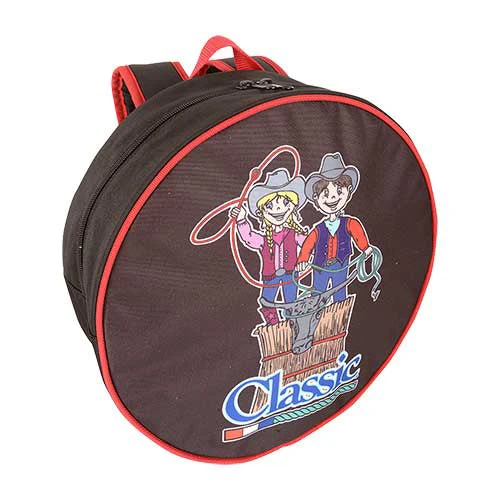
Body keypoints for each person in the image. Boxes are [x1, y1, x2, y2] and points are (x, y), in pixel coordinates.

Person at [230, 169, 307, 325]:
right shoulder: (264, 239)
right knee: (266, 302)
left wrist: (305, 258)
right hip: (270, 276)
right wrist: (242, 220)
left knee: (291, 301)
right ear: (262, 212)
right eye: (270, 205)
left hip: (291, 274)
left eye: (285, 203)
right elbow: (249, 238)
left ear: (292, 208)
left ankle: (293, 325)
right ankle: (274, 326)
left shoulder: (294, 234)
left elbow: (309, 243)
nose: (278, 210)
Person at [296, 152, 372, 302]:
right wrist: (303, 259)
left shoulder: (349, 223)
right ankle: (316, 315)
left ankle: (339, 314)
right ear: (316, 198)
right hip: (320, 266)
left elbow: (357, 233)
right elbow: (308, 244)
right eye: (325, 193)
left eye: (338, 191)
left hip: (341, 264)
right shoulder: (318, 229)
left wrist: (365, 247)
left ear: (349, 191)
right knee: (317, 293)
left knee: (340, 291)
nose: (332, 198)